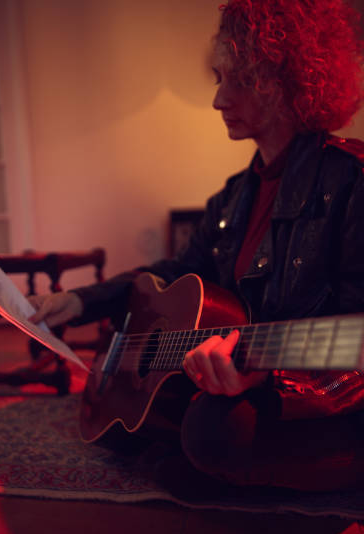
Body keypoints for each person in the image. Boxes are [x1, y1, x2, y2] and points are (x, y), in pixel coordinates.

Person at [30, 0, 364, 493]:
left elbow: (353, 357)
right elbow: (171, 275)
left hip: (319, 398)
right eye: (218, 79)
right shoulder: (234, 194)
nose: (218, 100)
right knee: (130, 406)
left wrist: (269, 381)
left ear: (282, 83)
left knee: (211, 431)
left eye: (236, 80)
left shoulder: (351, 179)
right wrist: (81, 300)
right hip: (246, 379)